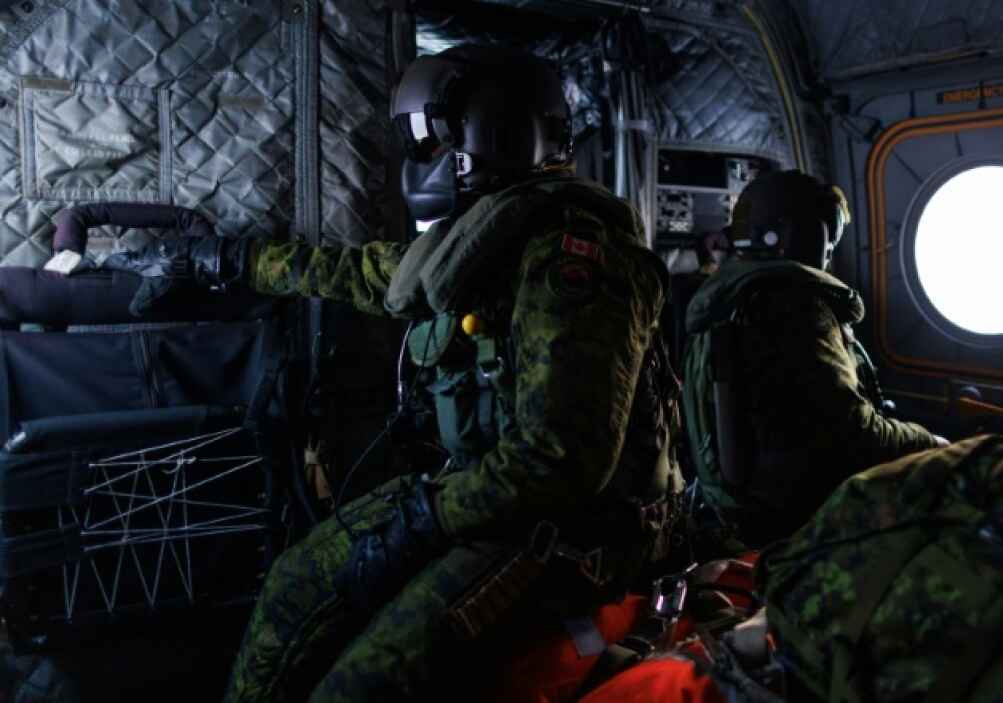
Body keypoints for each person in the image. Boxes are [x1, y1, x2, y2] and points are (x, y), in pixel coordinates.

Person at [104, 44, 684, 702]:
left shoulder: (574, 262)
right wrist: (223, 260)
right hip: (488, 494)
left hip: (575, 533)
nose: (426, 163)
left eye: (438, 144)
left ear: (491, 136)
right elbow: (367, 273)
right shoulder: (484, 241)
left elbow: (559, 462)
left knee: (363, 685)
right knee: (296, 581)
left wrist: (425, 524)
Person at [681, 170, 947, 555]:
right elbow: (853, 438)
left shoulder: (726, 295)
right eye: (828, 239)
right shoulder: (792, 306)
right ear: (807, 234)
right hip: (793, 520)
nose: (829, 253)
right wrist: (931, 444)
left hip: (740, 508)